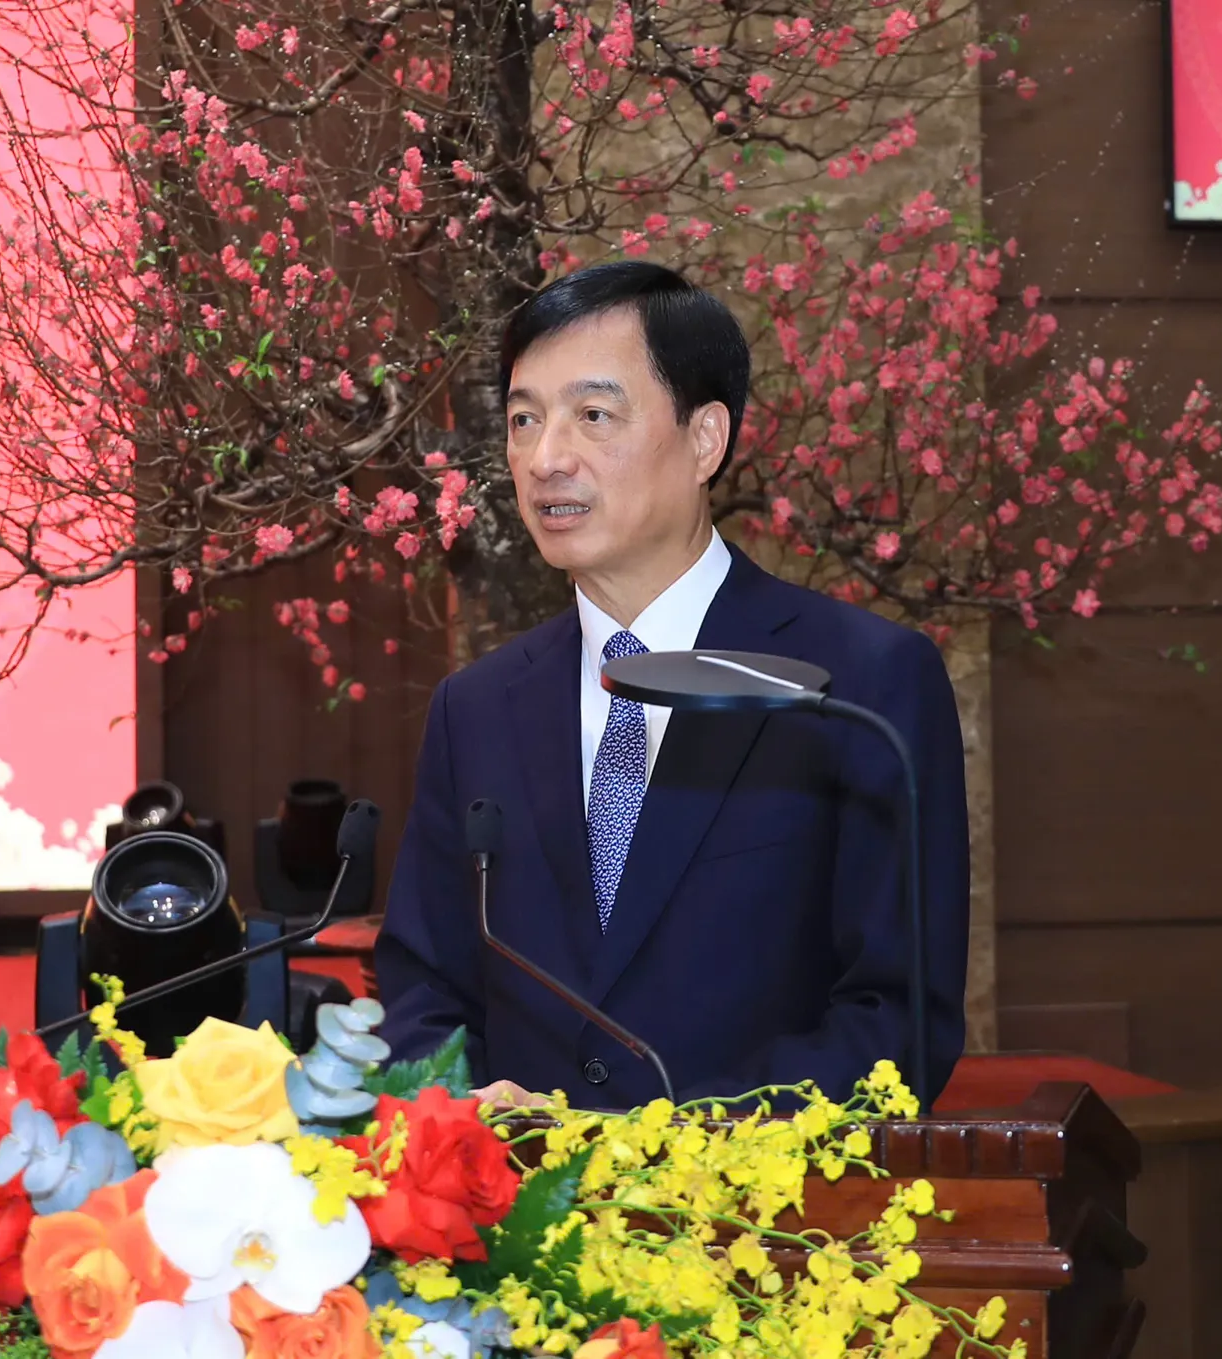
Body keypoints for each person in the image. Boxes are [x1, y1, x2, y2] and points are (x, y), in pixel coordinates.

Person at [374, 261, 970, 1111]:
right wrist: (470, 1125)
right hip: (524, 1194)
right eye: (523, 419)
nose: (546, 459)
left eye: (593, 415)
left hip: (758, 1189)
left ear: (704, 440)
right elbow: (424, 993)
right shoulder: (476, 708)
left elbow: (894, 1019)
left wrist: (656, 1144)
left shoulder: (860, 683)